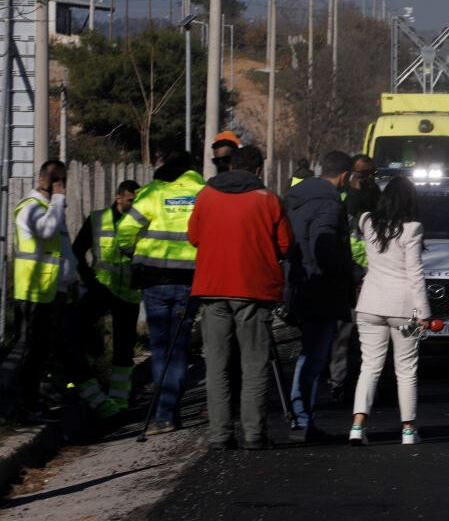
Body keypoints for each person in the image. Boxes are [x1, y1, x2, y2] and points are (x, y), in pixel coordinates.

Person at [189, 145, 293, 450]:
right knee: (254, 364)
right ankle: (253, 434)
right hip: (253, 288)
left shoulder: (206, 196)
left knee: (217, 365)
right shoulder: (268, 199)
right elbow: (285, 245)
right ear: (259, 170)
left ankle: (220, 435)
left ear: (230, 167)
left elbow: (193, 237)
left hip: (212, 287)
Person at [116, 150, 205, 434]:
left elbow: (125, 231)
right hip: (189, 281)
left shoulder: (152, 193)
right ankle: (169, 412)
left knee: (159, 347)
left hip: (153, 280)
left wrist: (134, 252)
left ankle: (163, 414)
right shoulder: (202, 193)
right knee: (177, 348)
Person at [348, 174, 429, 446]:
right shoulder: (412, 229)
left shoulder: (369, 223)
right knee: (405, 370)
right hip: (402, 307)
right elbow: (415, 274)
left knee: (369, 367)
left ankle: (357, 426)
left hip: (370, 304)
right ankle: (408, 430)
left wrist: (364, 184)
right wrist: (424, 313)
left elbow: (358, 207)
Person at [286, 150, 356, 442]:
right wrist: (352, 271)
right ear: (344, 175)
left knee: (309, 353)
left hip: (298, 284)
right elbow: (324, 246)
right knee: (313, 357)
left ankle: (300, 417)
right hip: (322, 289)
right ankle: (301, 419)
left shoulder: (293, 197)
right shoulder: (329, 204)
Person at [6, 160, 77, 421]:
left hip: (50, 290)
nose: (62, 187)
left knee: (41, 353)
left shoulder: (50, 208)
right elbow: (46, 232)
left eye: (63, 182)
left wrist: (71, 281)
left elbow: (63, 251)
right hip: (33, 292)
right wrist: (57, 200)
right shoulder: (30, 208)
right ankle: (21, 406)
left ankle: (34, 400)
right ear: (44, 181)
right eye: (58, 181)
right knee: (29, 353)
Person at [70, 179, 141, 415]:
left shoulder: (141, 222)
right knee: (78, 331)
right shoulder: (98, 219)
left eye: (136, 201)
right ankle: (80, 381)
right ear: (118, 197)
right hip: (102, 289)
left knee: (124, 349)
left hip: (129, 293)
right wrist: (90, 281)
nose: (133, 205)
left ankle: (119, 402)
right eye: (130, 200)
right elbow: (77, 251)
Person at [328, 153, 378, 402]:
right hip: (351, 271)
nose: (367, 178)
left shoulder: (377, 195)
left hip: (371, 272)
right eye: (362, 174)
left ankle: (365, 379)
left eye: (371, 173)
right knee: (344, 332)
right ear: (350, 175)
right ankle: (339, 381)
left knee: (369, 331)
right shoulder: (346, 197)